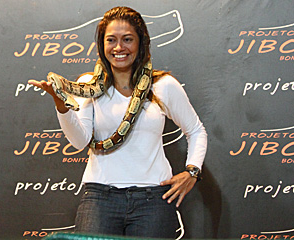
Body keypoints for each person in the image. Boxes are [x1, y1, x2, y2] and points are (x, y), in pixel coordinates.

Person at [29, 6, 207, 238]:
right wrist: (61, 104)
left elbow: (196, 130)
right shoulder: (88, 84)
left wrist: (192, 171)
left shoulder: (163, 85)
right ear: (102, 45)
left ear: (140, 43)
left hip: (153, 198)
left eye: (127, 39)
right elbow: (79, 142)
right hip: (99, 197)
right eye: (111, 40)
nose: (119, 47)